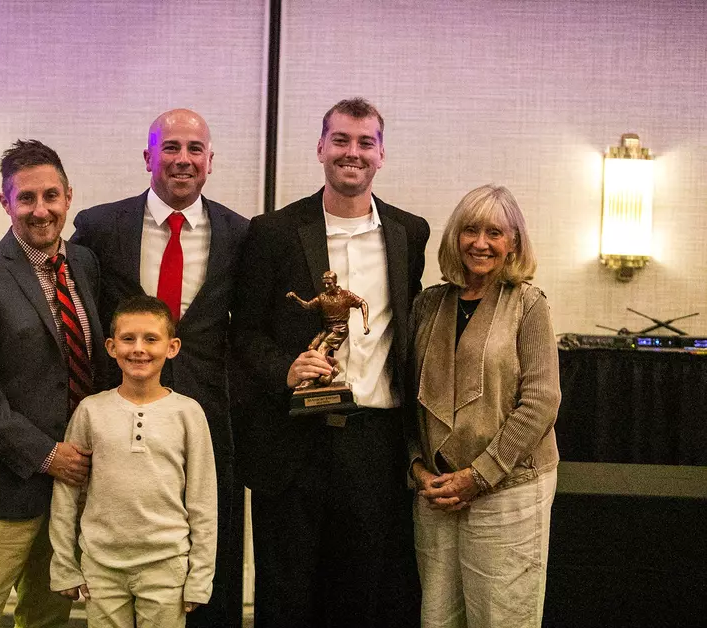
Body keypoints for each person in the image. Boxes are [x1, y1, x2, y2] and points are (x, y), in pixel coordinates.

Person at [230, 97, 429, 628]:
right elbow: (244, 332)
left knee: (362, 596)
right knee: (286, 596)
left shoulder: (410, 233)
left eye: (365, 143)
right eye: (341, 140)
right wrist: (285, 370)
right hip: (294, 442)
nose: (352, 153)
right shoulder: (272, 231)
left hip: (375, 442)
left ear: (381, 155)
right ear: (320, 147)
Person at [70, 108, 248, 628]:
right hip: (119, 413)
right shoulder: (101, 227)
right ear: (149, 156)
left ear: (210, 161)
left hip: (210, 414)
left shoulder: (239, 233)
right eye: (170, 147)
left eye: (195, 149)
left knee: (213, 544)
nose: (183, 159)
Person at [0, 139, 108, 628]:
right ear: (5, 202)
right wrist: (45, 454)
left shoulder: (85, 266)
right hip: (2, 484)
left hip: (71, 489)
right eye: (26, 198)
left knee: (48, 617)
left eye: (51, 196)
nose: (41, 210)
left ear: (68, 196)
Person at [409, 184, 561, 628]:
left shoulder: (528, 304)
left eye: (494, 232)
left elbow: (541, 401)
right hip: (436, 494)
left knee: (502, 619)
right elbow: (407, 397)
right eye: (470, 230)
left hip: (509, 490)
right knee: (437, 618)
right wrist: (418, 469)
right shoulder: (427, 304)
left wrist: (479, 477)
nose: (480, 243)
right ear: (454, 237)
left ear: (513, 241)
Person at [49, 295, 217, 628]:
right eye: (128, 339)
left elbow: (203, 501)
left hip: (166, 564)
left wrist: (200, 575)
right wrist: (64, 564)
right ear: (111, 347)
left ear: (172, 347)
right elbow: (67, 493)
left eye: (151, 339)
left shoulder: (189, 413)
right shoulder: (90, 411)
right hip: (102, 564)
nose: (138, 348)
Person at [286, 270, 370, 388]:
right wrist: (296, 298)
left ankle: (311, 380)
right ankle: (330, 371)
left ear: (335, 282)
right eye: (324, 284)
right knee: (311, 348)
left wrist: (365, 323)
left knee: (321, 351)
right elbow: (308, 305)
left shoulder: (346, 295)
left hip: (339, 329)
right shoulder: (323, 297)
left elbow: (363, 303)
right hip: (327, 328)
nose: (326, 286)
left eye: (329, 283)